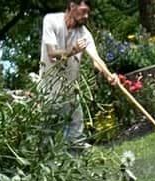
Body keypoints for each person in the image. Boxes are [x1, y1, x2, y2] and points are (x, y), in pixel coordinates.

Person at [39, 0, 115, 150]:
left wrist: (109, 75)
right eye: (83, 11)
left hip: (69, 89)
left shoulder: (85, 34)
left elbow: (96, 60)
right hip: (48, 88)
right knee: (47, 135)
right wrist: (71, 51)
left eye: (88, 12)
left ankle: (77, 163)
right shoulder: (51, 20)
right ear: (72, 6)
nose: (86, 16)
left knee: (76, 131)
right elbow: (52, 53)